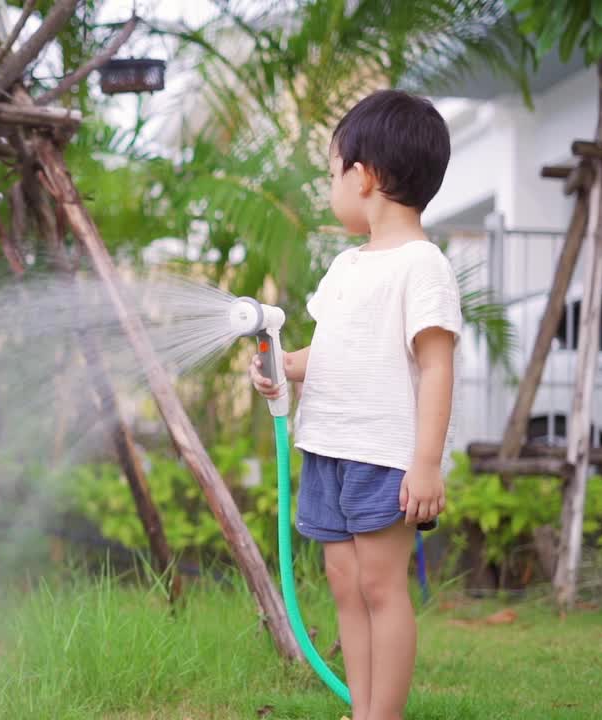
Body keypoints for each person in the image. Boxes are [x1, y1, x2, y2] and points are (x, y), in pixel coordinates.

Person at [251, 89, 462, 720]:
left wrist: (425, 464)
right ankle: (362, 709)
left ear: (363, 177)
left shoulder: (422, 266)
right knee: (346, 586)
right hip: (327, 449)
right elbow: (334, 349)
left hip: (383, 457)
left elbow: (436, 365)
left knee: (379, 587)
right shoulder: (346, 266)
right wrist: (286, 366)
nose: (330, 185)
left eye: (332, 171)